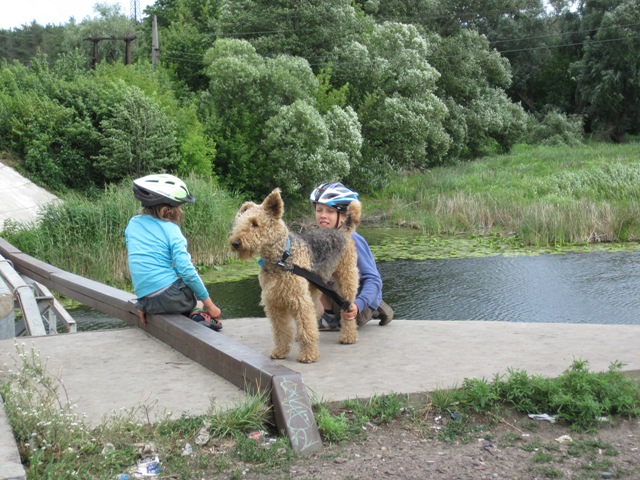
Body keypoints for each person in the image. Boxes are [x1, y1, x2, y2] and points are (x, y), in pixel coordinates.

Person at [125, 174, 222, 331]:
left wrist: (142, 303)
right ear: (165, 211)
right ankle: (197, 314)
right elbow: (187, 272)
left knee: (184, 278)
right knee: (194, 287)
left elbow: (142, 259)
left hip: (145, 301)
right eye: (179, 207)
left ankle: (190, 312)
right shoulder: (171, 230)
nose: (181, 211)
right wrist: (210, 306)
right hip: (170, 298)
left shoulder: (133, 224)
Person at [310, 182, 394, 330]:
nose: (322, 215)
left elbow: (373, 279)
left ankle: (375, 306)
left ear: (343, 215)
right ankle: (328, 316)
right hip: (336, 301)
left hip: (355, 308)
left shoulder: (353, 239)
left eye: (329, 211)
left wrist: (358, 305)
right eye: (319, 210)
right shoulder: (318, 238)